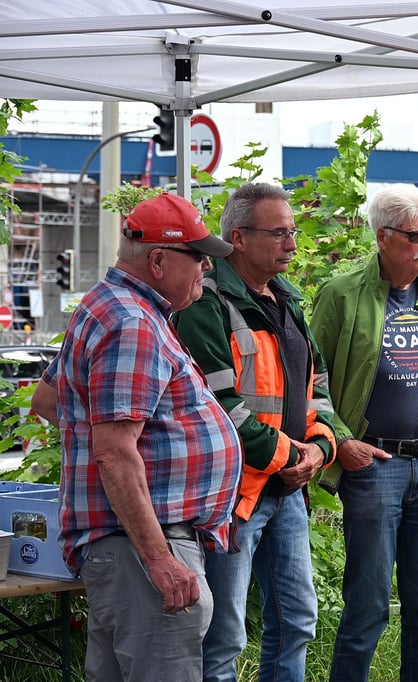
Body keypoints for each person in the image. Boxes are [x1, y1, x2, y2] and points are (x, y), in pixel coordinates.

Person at [30, 192, 243, 682]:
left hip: (127, 546)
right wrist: (159, 559)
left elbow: (48, 401)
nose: (207, 268)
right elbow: (114, 450)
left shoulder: (109, 306)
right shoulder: (133, 322)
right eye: (199, 257)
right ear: (159, 260)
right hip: (143, 546)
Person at [171, 183, 338, 682]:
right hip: (233, 497)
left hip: (284, 490)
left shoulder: (287, 300)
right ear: (239, 238)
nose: (292, 243)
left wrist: (321, 448)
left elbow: (317, 389)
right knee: (224, 636)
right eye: (279, 233)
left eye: (293, 232)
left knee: (297, 622)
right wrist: (293, 459)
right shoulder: (206, 303)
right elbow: (220, 407)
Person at [309, 183, 418, 682]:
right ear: (382, 237)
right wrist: (341, 441)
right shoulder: (341, 295)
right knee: (367, 606)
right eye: (414, 235)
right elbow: (312, 380)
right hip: (376, 467)